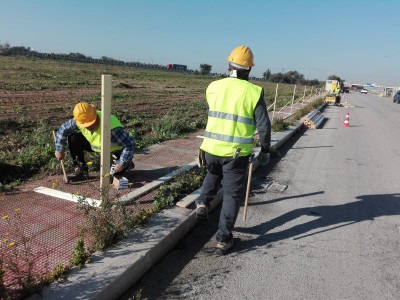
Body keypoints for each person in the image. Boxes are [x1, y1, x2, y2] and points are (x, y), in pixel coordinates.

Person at [195, 45, 271, 254]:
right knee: (231, 196)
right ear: (248, 70)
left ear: (229, 65)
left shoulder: (213, 86)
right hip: (236, 154)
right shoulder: (254, 92)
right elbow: (264, 126)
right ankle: (223, 240)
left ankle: (202, 202)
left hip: (210, 148)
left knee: (212, 173)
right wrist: (265, 150)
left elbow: (213, 114)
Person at [54, 102, 135, 181]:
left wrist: (122, 163)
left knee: (109, 179)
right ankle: (80, 170)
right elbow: (63, 128)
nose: (89, 127)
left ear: (95, 115)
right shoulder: (79, 120)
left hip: (113, 151)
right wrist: (59, 149)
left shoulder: (111, 127)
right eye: (85, 125)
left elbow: (129, 144)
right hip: (96, 146)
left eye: (91, 123)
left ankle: (126, 162)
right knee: (74, 138)